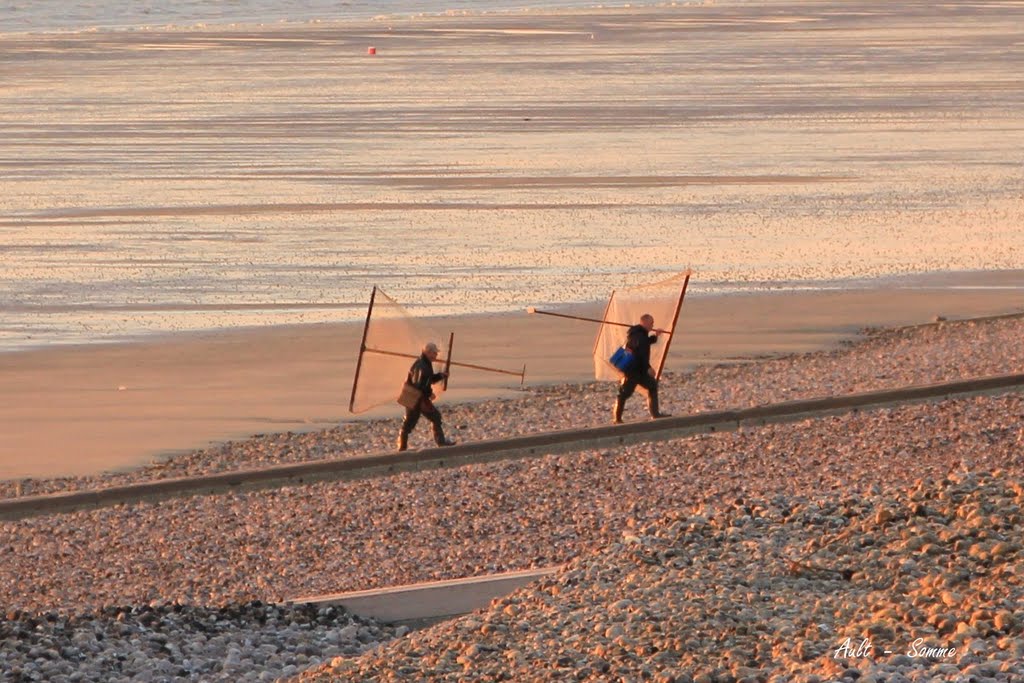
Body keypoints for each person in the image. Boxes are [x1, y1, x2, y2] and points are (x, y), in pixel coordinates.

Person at [397, 341, 456, 451]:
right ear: (428, 352)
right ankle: (440, 442)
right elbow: (420, 384)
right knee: (429, 418)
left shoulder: (424, 363)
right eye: (434, 353)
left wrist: (441, 376)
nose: (436, 356)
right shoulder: (422, 366)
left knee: (413, 422)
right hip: (416, 397)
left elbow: (429, 379)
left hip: (414, 395)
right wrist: (430, 394)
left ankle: (403, 446)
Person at [613, 313, 670, 424]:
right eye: (651, 323)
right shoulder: (639, 336)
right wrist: (648, 368)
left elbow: (646, 343)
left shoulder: (639, 334)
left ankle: (655, 414)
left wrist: (655, 336)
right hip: (632, 371)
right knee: (624, 394)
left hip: (639, 371)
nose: (652, 325)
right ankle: (617, 419)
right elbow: (641, 355)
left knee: (652, 385)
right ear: (644, 322)